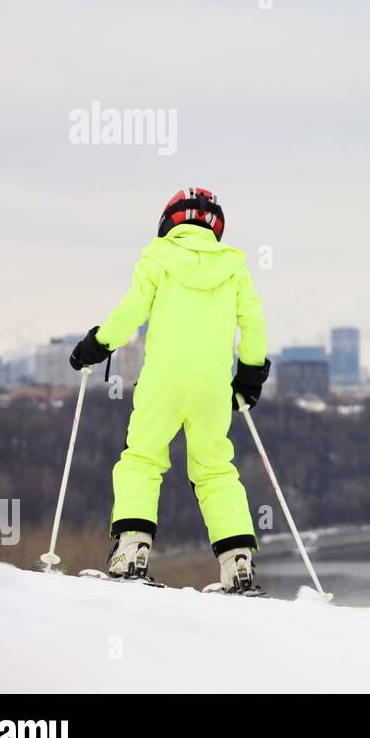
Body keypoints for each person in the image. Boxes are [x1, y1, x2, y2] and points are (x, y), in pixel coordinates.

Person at [69, 187, 271, 592]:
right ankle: (238, 564)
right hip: (213, 386)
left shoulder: (157, 257)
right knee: (215, 469)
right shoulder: (234, 267)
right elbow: (254, 325)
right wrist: (249, 377)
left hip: (162, 380)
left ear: (170, 221)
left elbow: (130, 312)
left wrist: (95, 346)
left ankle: (132, 552)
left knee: (142, 459)